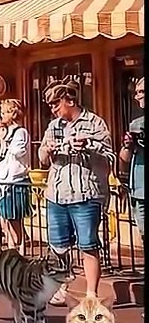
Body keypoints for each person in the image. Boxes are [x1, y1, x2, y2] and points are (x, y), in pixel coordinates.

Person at [38, 80, 113, 305]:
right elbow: (41, 158)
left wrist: (88, 144)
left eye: (55, 103)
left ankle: (91, 294)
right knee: (58, 244)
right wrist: (48, 150)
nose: (53, 108)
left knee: (88, 244)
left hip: (85, 193)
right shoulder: (53, 126)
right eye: (49, 105)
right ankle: (62, 286)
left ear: (69, 101)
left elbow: (110, 156)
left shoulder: (94, 123)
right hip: (57, 193)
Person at [0, 98, 32, 254]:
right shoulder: (3, 133)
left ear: (13, 114)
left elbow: (18, 152)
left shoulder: (20, 132)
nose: (1, 116)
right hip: (1, 179)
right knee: (0, 218)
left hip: (15, 179)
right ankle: (11, 247)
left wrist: (5, 140)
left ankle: (19, 249)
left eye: (4, 113)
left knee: (14, 218)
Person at [120, 77, 144, 244]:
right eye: (136, 93)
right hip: (139, 188)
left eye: (142, 92)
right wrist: (128, 145)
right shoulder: (136, 124)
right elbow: (125, 158)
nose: (137, 97)